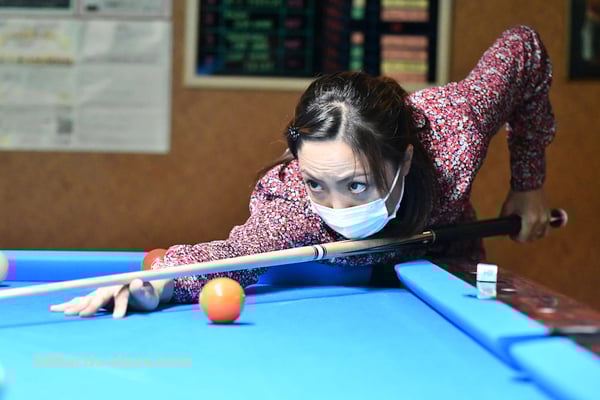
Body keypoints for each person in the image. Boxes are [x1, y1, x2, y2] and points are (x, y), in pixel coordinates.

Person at [51, 25, 556, 319]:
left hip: (446, 261)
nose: (335, 208)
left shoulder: (454, 131)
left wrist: (528, 184)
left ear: (403, 160)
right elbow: (236, 254)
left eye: (356, 185)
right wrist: (155, 284)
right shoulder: (292, 206)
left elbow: (525, 48)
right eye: (317, 183)